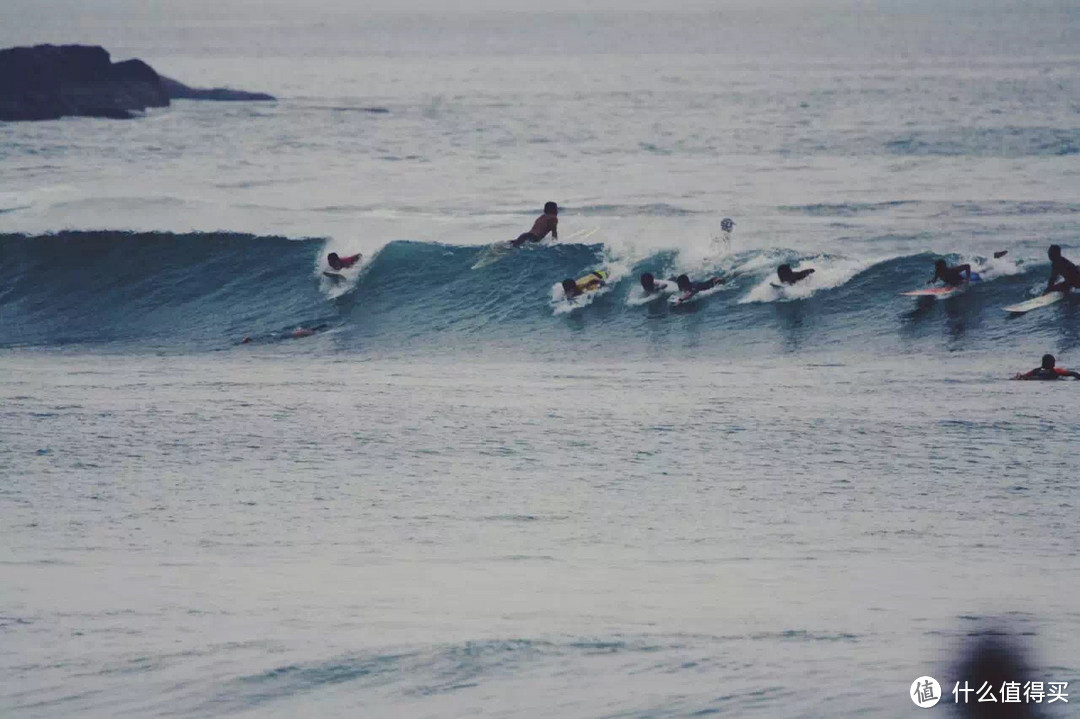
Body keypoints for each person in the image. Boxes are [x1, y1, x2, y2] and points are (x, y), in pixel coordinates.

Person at [1014, 354, 1080, 380]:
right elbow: (1073, 373)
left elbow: (1025, 375)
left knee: (1026, 378)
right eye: (1053, 362)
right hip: (1042, 378)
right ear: (1052, 363)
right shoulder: (1056, 371)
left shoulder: (1036, 370)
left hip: (1035, 378)